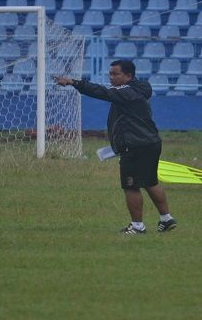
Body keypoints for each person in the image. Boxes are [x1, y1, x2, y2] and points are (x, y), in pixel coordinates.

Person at [55, 60, 177, 235]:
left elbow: (101, 92)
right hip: (150, 142)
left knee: (131, 186)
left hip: (135, 145)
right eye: (110, 74)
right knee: (150, 181)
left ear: (128, 76)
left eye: (115, 74)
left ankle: (137, 226)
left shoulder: (126, 92)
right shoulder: (139, 88)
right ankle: (166, 219)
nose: (111, 77)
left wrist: (75, 82)